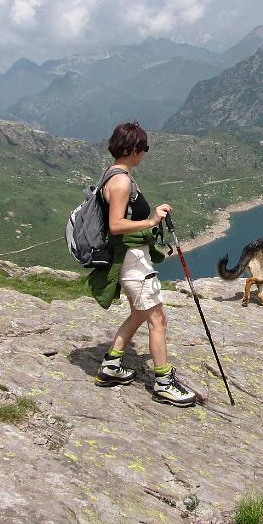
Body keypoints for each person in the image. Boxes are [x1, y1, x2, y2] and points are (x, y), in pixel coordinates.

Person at [87, 122, 197, 408]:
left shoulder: (113, 174)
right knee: (157, 319)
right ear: (133, 149)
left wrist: (152, 215)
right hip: (132, 260)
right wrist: (150, 221)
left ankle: (110, 366)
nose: (145, 154)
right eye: (143, 148)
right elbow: (115, 225)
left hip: (132, 257)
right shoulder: (121, 181)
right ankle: (164, 382)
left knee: (138, 314)